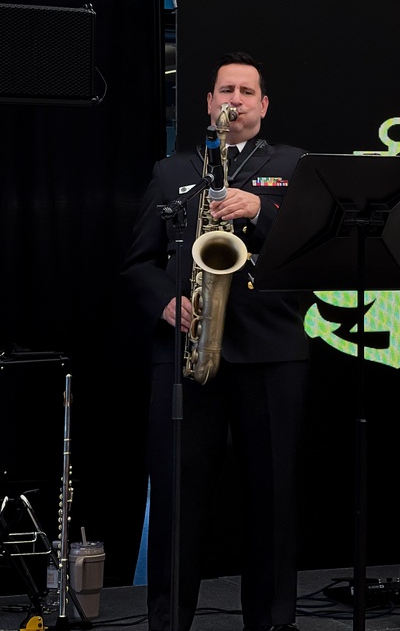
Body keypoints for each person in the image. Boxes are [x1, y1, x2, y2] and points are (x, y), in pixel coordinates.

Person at [121, 51, 309, 631]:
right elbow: (138, 263)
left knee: (272, 494)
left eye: (247, 92)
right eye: (226, 90)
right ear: (208, 103)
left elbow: (315, 243)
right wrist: (165, 302)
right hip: (186, 352)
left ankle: (271, 620)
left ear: (263, 105)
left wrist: (263, 209)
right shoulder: (172, 170)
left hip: (271, 350)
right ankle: (168, 619)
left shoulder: (294, 165)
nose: (235, 99)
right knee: (176, 495)